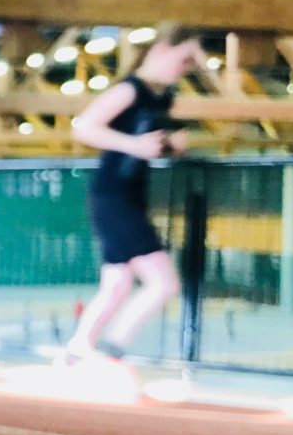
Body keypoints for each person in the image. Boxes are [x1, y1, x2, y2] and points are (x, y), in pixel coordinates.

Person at [63, 23, 205, 362]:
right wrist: (135, 144)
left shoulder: (163, 97)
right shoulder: (130, 90)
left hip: (129, 194)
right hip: (113, 195)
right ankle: (111, 351)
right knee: (163, 284)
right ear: (160, 50)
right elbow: (84, 127)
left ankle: (74, 352)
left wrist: (169, 146)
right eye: (184, 59)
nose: (187, 68)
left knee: (116, 284)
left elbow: (147, 146)